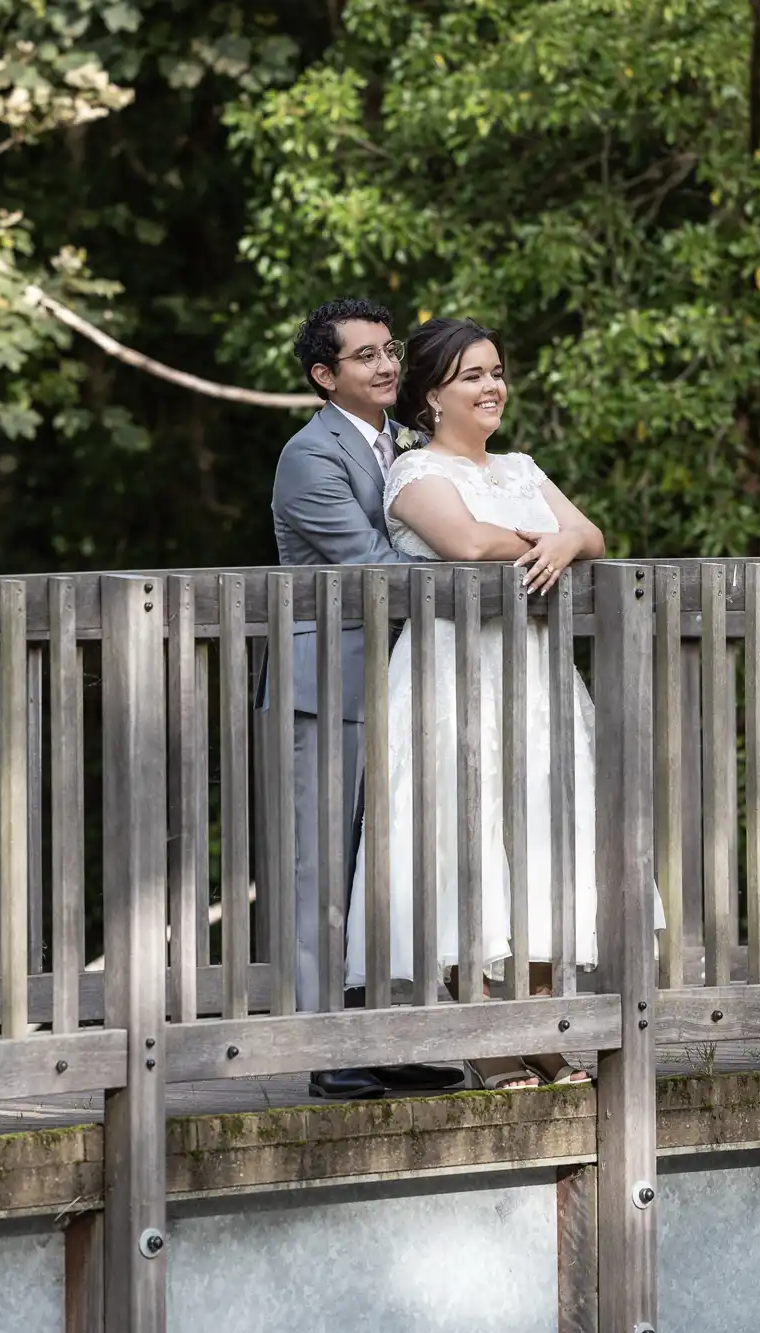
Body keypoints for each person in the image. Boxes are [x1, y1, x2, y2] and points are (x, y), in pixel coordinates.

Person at [341, 316, 666, 1090]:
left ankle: (544, 1033)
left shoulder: (521, 463)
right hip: (453, 674)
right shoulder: (415, 474)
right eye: (471, 376)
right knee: (462, 841)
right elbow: (465, 543)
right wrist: (546, 539)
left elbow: (587, 528)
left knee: (546, 836)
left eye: (495, 372)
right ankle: (486, 1039)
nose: (491, 388)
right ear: (430, 395)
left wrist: (567, 540)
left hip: (535, 674)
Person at [267, 298, 471, 1100]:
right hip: (329, 689)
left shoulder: (407, 449)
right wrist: (484, 561)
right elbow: (376, 564)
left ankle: (391, 1034)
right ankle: (329, 1048)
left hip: (405, 684)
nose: (388, 366)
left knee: (391, 868)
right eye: (366, 357)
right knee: (323, 873)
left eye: (390, 351)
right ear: (325, 375)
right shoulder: (308, 456)